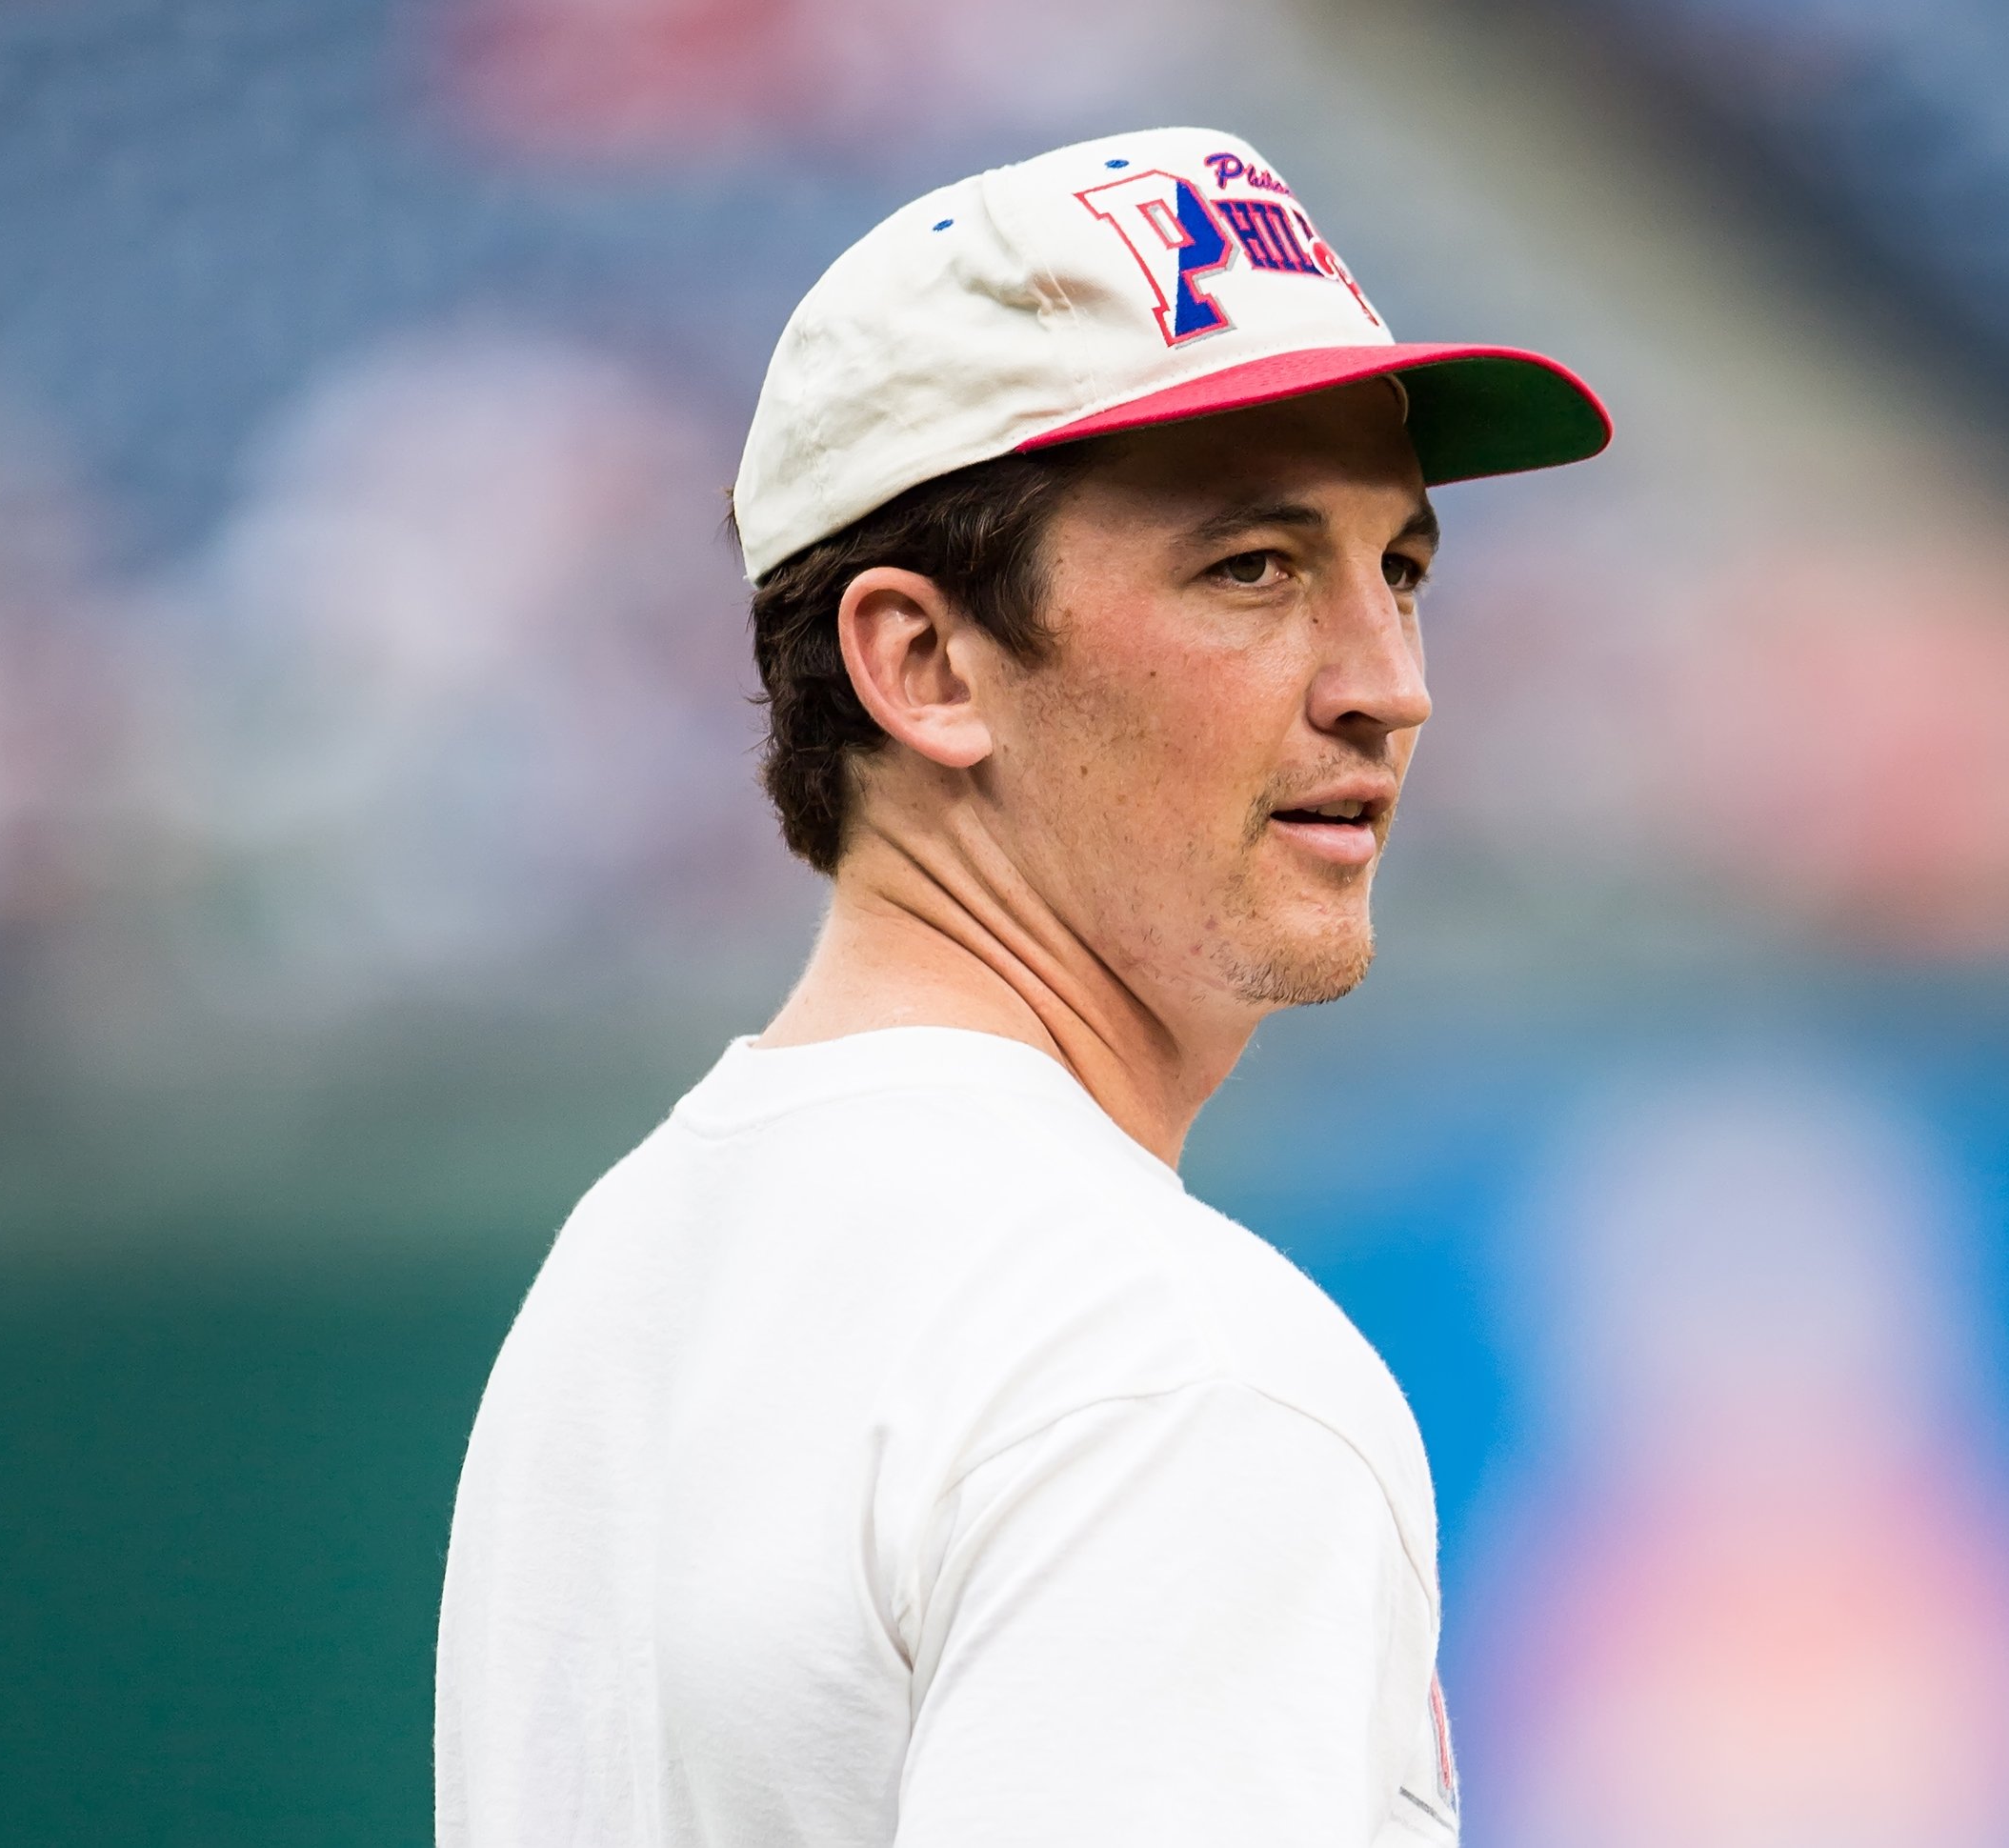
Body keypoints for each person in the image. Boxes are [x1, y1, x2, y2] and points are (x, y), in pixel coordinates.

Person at [435, 126, 1608, 1847]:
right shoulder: (1165, 1361)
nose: (1389, 684)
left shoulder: (633, 1255)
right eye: (1253, 569)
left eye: (1402, 570)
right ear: (923, 662)